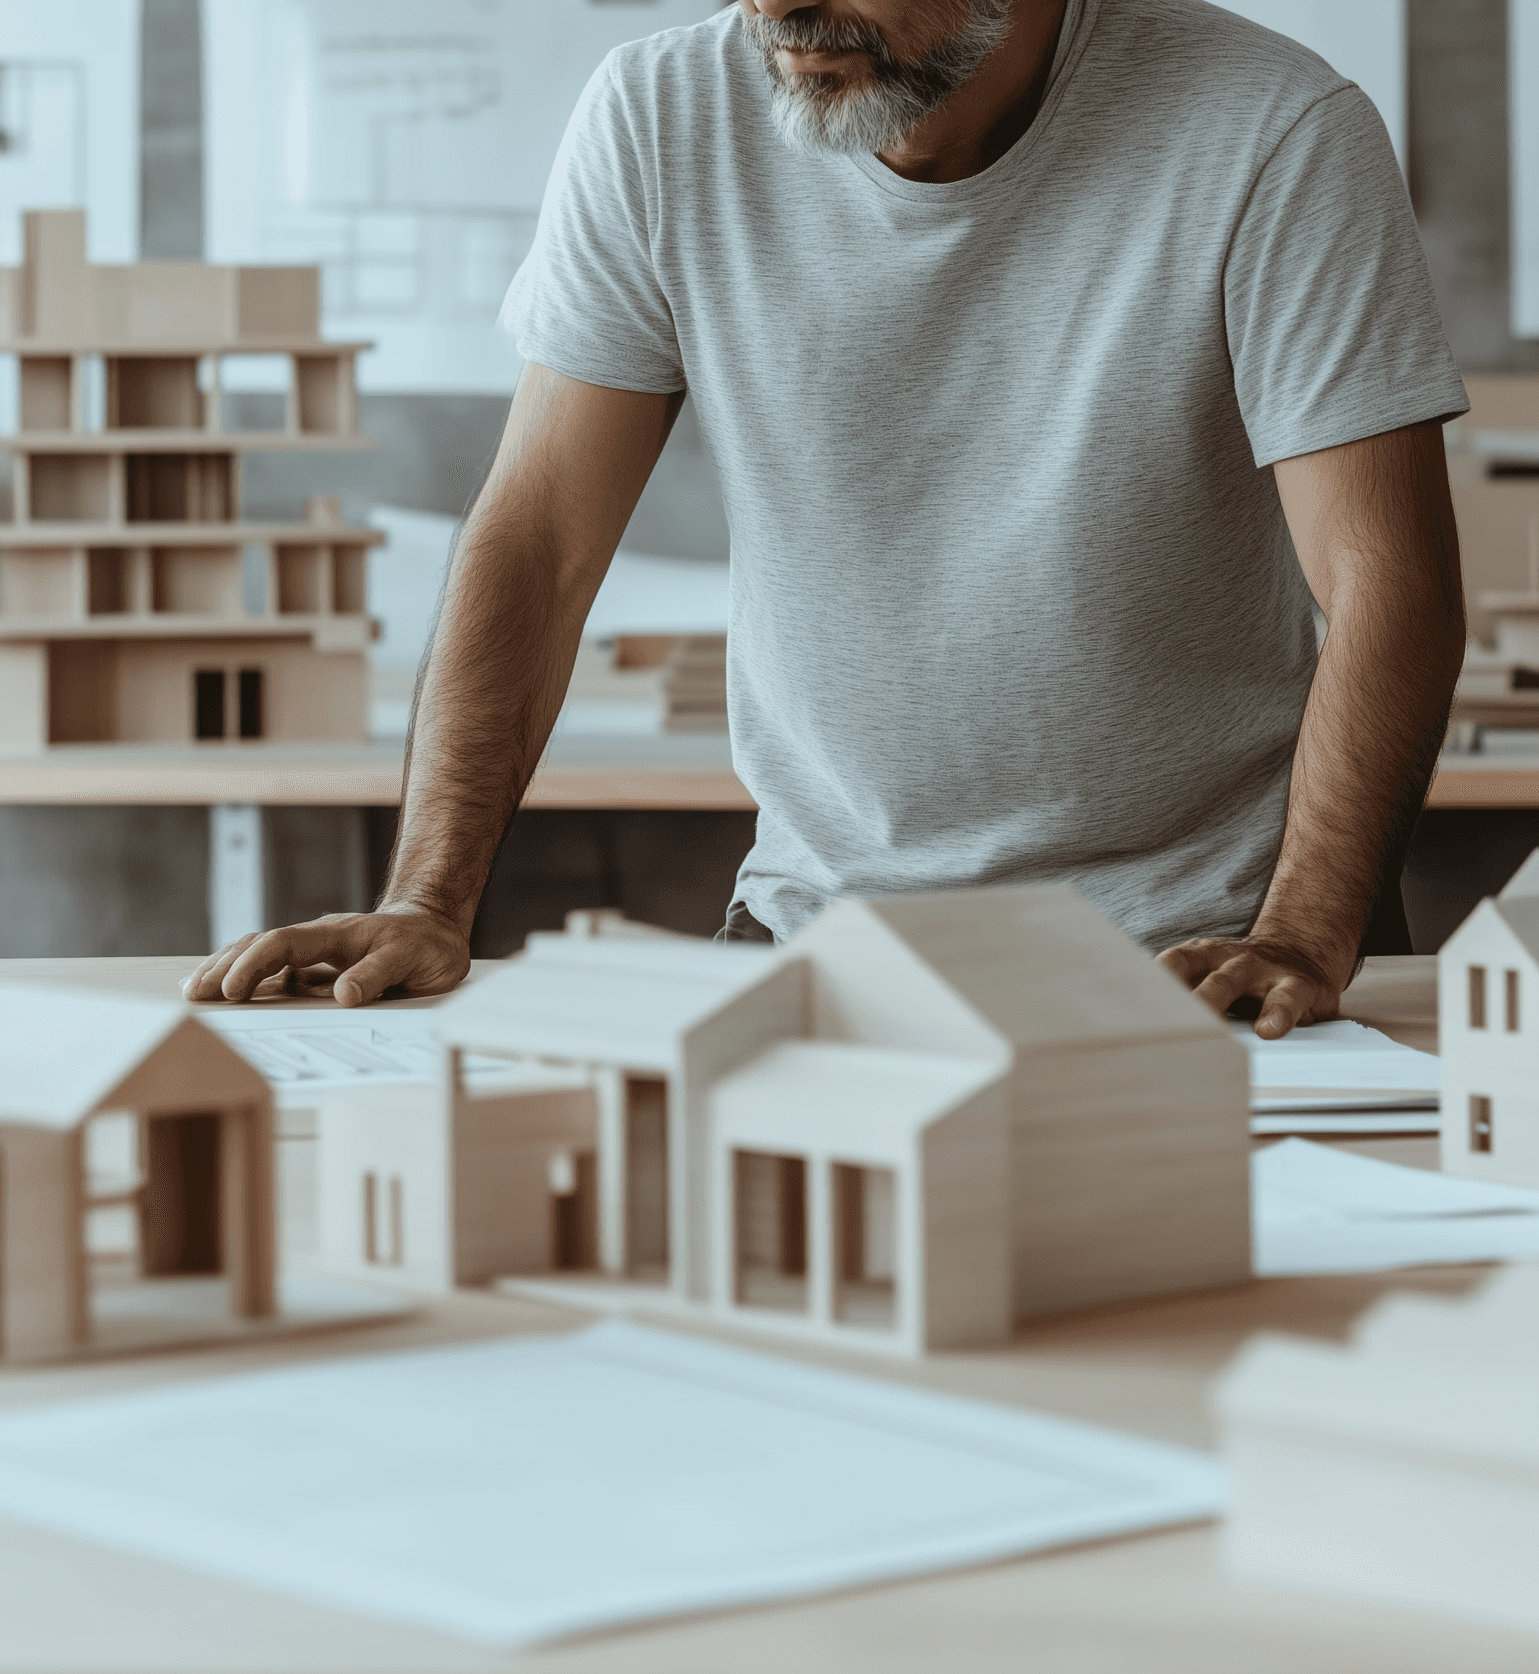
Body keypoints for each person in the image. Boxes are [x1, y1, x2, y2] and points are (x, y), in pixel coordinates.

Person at [186, 0, 1467, 1039]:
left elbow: (1384, 583)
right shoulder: (660, 116)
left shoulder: (1270, 129)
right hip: (818, 939)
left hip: (1208, 954)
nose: (782, 9)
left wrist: (1302, 931)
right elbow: (536, 542)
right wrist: (428, 899)